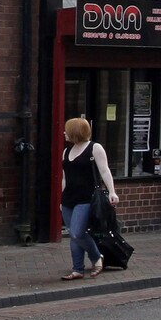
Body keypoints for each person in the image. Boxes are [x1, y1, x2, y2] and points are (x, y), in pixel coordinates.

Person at [60, 116, 118, 280]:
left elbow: (105, 171)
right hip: (68, 199)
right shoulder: (66, 151)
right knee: (73, 234)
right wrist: (61, 200)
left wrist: (112, 191)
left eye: (67, 130)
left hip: (87, 198)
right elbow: (65, 178)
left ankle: (96, 256)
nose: (64, 132)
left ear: (75, 131)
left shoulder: (95, 148)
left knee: (77, 233)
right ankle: (77, 269)